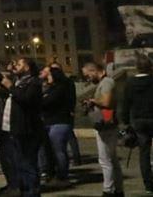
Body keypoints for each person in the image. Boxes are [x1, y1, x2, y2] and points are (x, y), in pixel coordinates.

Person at [0, 57, 43, 197]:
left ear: (27, 67)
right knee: (19, 163)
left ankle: (32, 191)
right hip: (15, 129)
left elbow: (26, 99)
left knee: (28, 163)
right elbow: (1, 80)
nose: (15, 65)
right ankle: (24, 190)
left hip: (27, 130)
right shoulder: (19, 81)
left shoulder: (33, 82)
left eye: (19, 64)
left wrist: (10, 87)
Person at [83, 61, 124, 197]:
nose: (88, 78)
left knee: (105, 160)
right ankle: (117, 189)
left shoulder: (106, 82)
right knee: (112, 159)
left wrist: (93, 101)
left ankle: (108, 190)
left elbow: (106, 102)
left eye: (88, 75)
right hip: (108, 124)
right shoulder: (106, 82)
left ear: (94, 71)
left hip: (106, 124)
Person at [119, 53, 153, 193]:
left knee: (144, 153)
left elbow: (125, 104)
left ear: (137, 68)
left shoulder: (129, 83)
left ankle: (149, 185)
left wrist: (126, 122)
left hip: (138, 121)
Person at [38, 65, 73, 189]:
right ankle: (53, 174)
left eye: (50, 75)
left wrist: (42, 99)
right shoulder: (52, 88)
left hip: (59, 122)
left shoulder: (60, 89)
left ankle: (62, 176)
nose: (48, 77)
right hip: (50, 122)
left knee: (59, 151)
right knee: (52, 151)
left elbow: (46, 102)